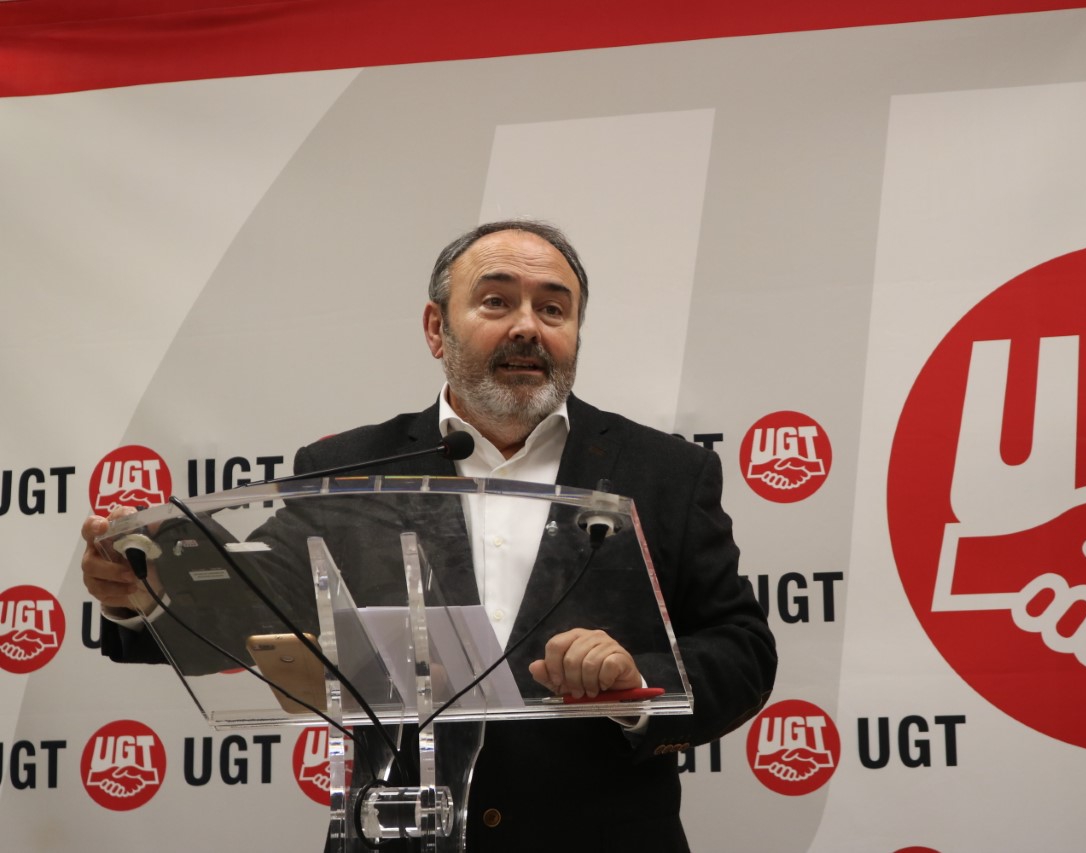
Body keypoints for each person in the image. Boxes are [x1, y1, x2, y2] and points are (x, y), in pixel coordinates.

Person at [81, 220, 778, 852]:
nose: (528, 327)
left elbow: (741, 647)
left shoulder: (664, 472)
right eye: (497, 302)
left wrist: (637, 683)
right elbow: (252, 607)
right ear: (436, 328)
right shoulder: (349, 470)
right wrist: (145, 593)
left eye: (553, 309)